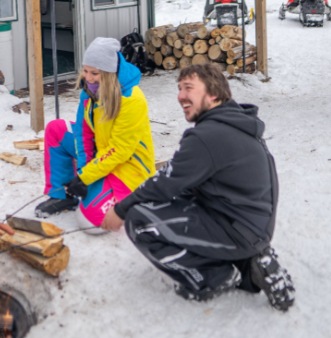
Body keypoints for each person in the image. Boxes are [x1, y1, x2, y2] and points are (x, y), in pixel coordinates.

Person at [101, 64, 295, 311]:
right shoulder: (234, 123)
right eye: (179, 88)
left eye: (189, 88)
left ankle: (214, 277)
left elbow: (163, 184)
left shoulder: (208, 135)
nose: (181, 95)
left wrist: (121, 210)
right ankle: (249, 268)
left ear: (213, 94)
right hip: (247, 222)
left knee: (140, 220)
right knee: (167, 201)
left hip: (239, 227)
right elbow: (179, 181)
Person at [35, 37, 155, 234]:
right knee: (56, 129)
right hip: (102, 155)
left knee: (91, 224)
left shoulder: (132, 100)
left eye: (94, 73)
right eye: (85, 70)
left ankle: (131, 199)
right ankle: (61, 196)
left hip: (126, 166)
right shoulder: (89, 92)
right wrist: (83, 173)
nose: (88, 78)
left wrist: (85, 178)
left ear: (109, 73)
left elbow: (120, 151)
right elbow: (83, 135)